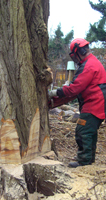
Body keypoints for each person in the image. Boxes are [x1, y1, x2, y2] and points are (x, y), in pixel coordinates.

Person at [48, 38, 106, 168]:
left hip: (94, 104)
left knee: (83, 130)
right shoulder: (90, 62)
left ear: (79, 51)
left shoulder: (89, 66)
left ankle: (84, 162)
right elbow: (76, 87)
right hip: (96, 103)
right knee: (90, 131)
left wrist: (54, 92)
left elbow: (74, 89)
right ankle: (88, 160)